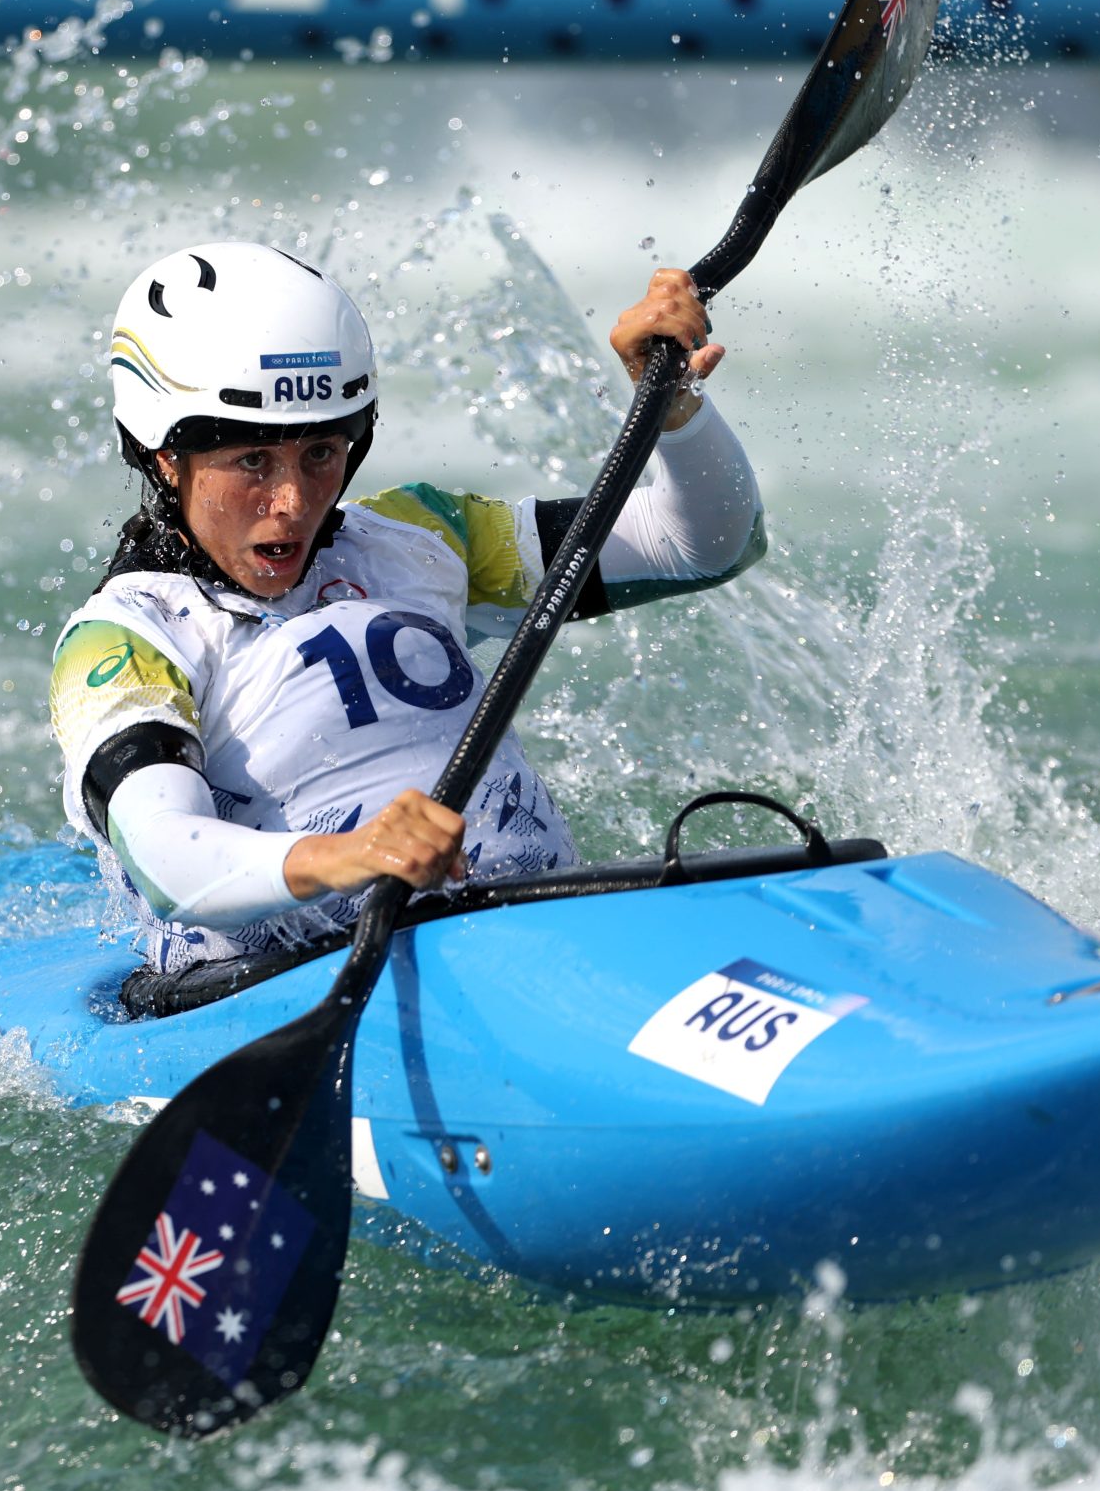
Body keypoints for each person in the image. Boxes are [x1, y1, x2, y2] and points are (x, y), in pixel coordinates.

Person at [49, 241, 764, 977]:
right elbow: (167, 858)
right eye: (253, 463)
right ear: (166, 456)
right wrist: (349, 855)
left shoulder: (420, 536)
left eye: (321, 452)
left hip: (545, 936)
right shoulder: (129, 636)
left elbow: (703, 543)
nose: (292, 502)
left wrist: (676, 411)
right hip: (300, 988)